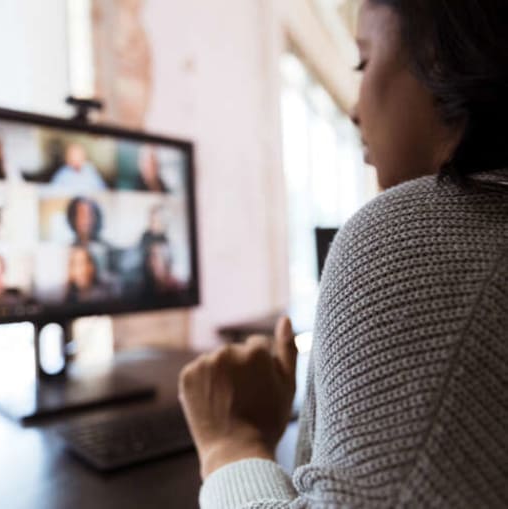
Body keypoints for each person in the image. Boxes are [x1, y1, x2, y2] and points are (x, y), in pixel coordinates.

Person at [179, 1, 508, 507]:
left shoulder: (409, 235)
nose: (354, 108)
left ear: (440, 61)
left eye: (364, 62)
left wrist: (231, 442)